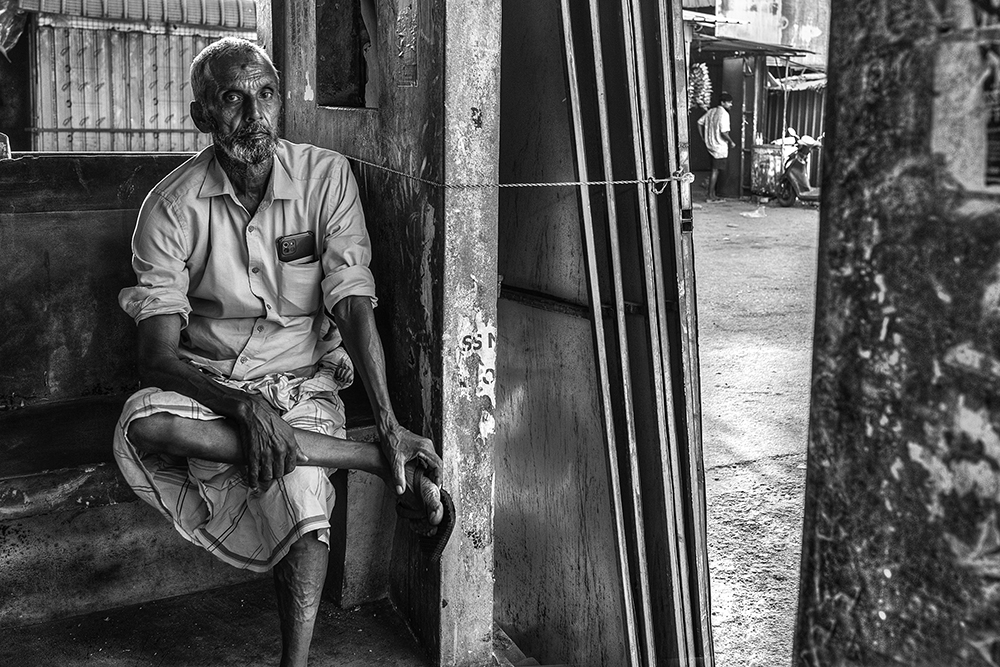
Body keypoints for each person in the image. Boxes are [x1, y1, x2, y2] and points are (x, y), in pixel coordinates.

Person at [112, 37, 452, 667]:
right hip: (211, 382)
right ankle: (367, 460)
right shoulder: (169, 207)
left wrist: (389, 418)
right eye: (232, 100)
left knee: (304, 503)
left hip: (304, 379)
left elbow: (353, 301)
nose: (253, 114)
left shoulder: (327, 178)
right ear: (203, 117)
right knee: (142, 420)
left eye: (265, 94)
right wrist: (244, 406)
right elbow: (157, 357)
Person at [697, 91, 736, 202]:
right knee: (715, 171)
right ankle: (710, 196)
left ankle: (712, 194)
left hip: (710, 145)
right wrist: (731, 142)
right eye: (729, 103)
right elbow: (724, 132)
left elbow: (699, 122)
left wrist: (703, 138)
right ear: (722, 103)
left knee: (714, 170)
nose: (731, 105)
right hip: (719, 147)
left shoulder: (711, 111)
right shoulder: (724, 114)